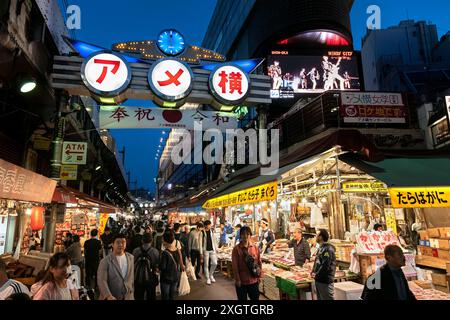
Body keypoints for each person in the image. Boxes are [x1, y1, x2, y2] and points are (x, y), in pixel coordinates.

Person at [97, 234, 135, 300]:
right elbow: (102, 280)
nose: (120, 245)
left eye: (123, 242)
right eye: (118, 242)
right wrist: (108, 296)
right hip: (112, 296)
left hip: (128, 296)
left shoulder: (131, 258)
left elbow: (131, 278)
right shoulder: (105, 261)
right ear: (112, 244)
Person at [231, 226, 262, 301]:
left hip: (253, 280)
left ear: (250, 235)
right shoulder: (236, 249)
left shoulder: (255, 247)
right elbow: (235, 266)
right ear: (240, 235)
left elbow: (259, 262)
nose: (245, 236)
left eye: (247, 234)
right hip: (242, 282)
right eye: (243, 234)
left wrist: (259, 276)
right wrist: (237, 279)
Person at [133, 233, 159, 301]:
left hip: (138, 278)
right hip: (151, 277)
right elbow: (157, 265)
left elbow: (133, 263)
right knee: (151, 296)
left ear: (142, 240)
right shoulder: (155, 251)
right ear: (152, 240)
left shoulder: (135, 251)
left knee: (138, 296)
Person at [311, 229, 336, 300]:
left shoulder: (328, 249)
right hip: (319, 280)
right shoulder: (321, 248)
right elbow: (317, 262)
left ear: (321, 237)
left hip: (325, 281)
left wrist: (317, 274)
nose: (315, 237)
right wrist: (313, 271)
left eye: (317, 235)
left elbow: (325, 266)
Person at [160, 231, 182, 300]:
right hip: (175, 277)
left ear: (166, 241)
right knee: (172, 295)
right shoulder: (177, 250)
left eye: (163, 239)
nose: (162, 240)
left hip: (166, 278)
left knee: (165, 296)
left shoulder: (165, 253)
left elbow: (162, 267)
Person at [201, 220, 219, 285]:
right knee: (206, 265)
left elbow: (214, 239)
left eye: (210, 224)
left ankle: (211, 275)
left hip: (212, 249)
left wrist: (216, 248)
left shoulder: (212, 231)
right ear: (206, 225)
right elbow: (200, 242)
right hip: (205, 250)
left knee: (215, 263)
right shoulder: (202, 232)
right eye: (209, 225)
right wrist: (201, 252)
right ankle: (208, 278)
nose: (210, 226)